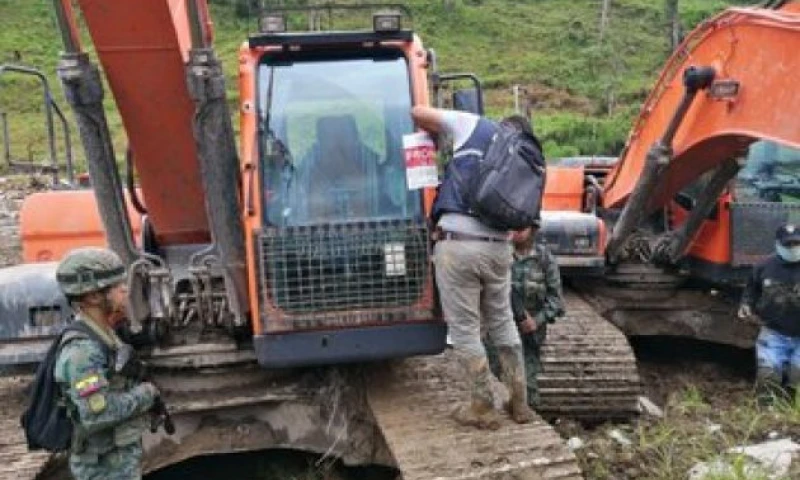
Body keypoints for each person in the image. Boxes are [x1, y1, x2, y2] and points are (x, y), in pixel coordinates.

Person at [411, 105, 538, 429]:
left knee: (465, 328)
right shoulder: (526, 157)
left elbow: (417, 112)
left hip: (459, 245)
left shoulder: (473, 125)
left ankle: (482, 406)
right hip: (499, 251)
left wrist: (442, 138)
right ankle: (519, 401)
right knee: (502, 321)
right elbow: (524, 231)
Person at [53, 247, 159, 479]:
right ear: (93, 296)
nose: (125, 289)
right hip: (104, 467)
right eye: (116, 285)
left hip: (117, 460)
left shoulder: (102, 333)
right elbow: (97, 414)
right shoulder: (83, 352)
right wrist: (146, 394)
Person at [486, 223, 565, 408]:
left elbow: (557, 301)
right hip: (498, 331)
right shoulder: (499, 255)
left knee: (527, 390)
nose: (517, 232)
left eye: (522, 228)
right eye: (513, 227)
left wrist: (536, 321)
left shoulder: (544, 259)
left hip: (528, 335)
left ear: (533, 229)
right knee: (497, 384)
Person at [738, 224, 800, 404]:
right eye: (788, 245)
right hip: (774, 331)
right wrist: (746, 304)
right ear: (778, 245)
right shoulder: (763, 267)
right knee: (768, 376)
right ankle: (768, 413)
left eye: (796, 244)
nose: (792, 249)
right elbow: (751, 290)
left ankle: (791, 412)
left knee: (797, 377)